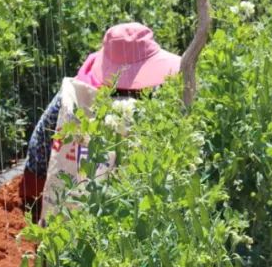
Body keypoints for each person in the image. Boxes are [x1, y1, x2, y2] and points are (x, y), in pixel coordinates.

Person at [20, 22, 181, 219]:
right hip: (130, 208)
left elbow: (41, 141)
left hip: (72, 201)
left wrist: (35, 190)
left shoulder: (73, 97)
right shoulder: (155, 105)